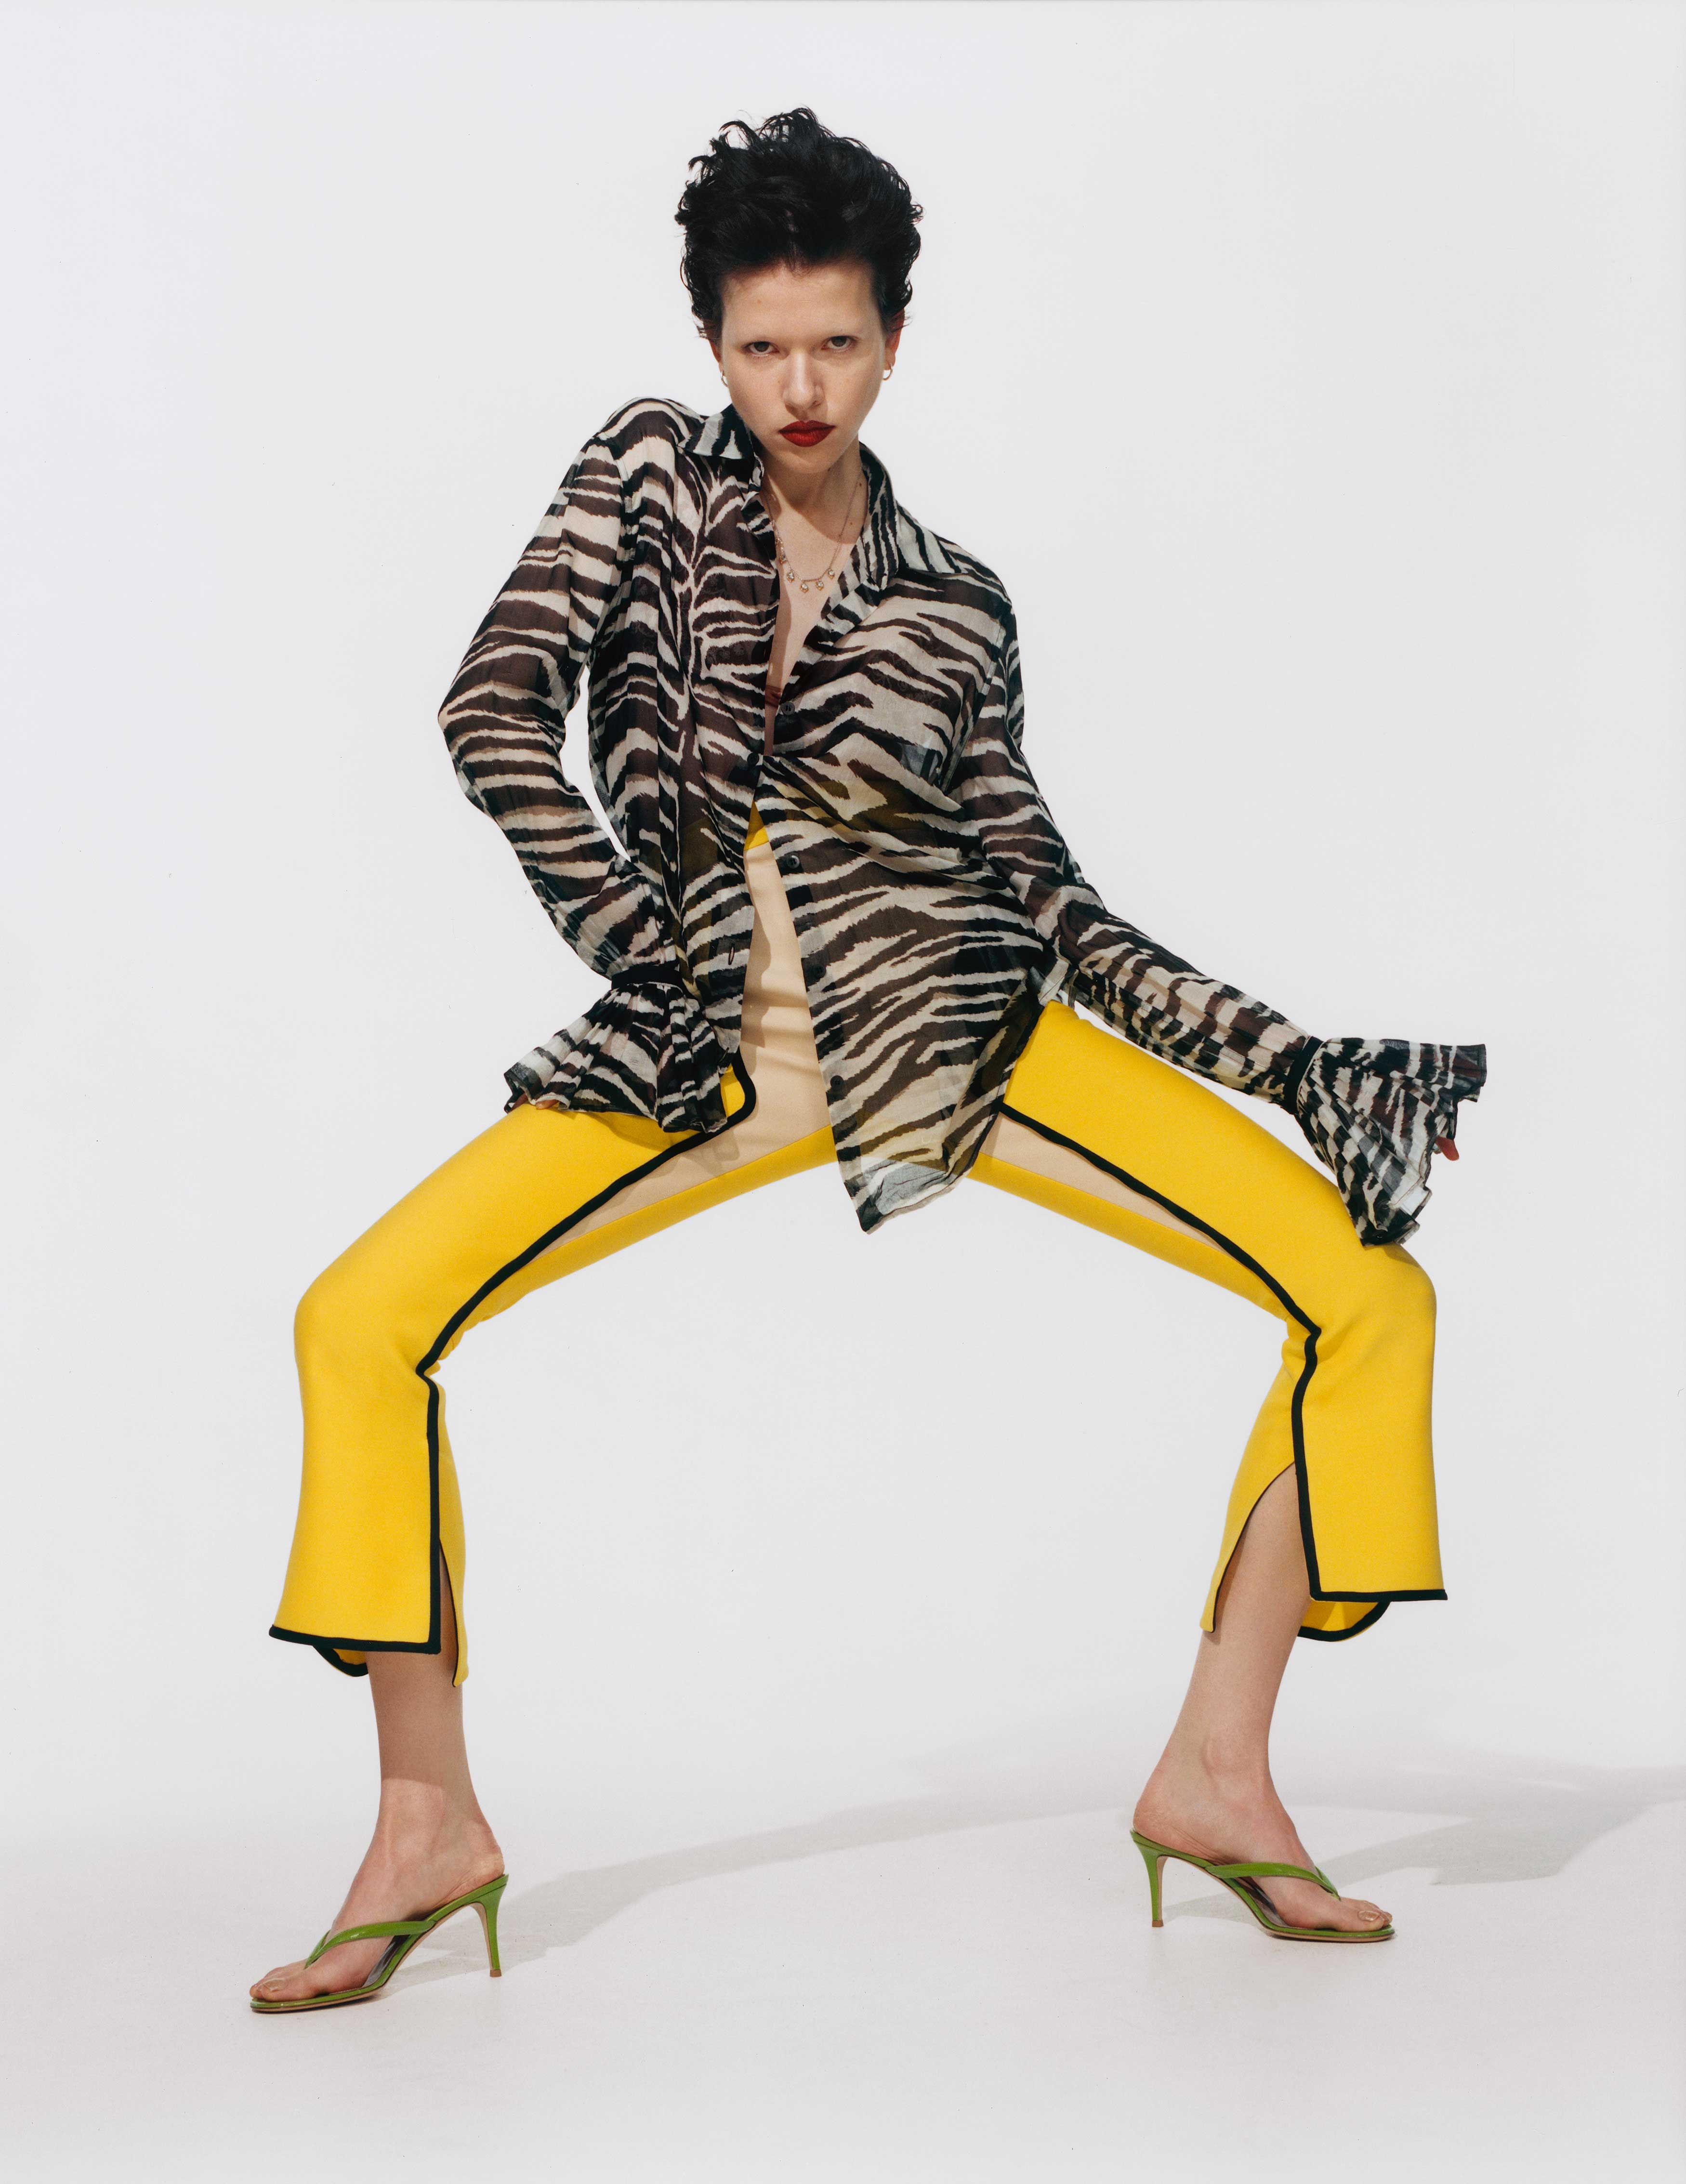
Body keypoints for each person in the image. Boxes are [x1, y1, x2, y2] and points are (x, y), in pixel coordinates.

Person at [250, 108, 1484, 2011]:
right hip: (697, 1054)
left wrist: (1296, 1063)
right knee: (358, 1321)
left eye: (834, 342)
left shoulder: (954, 603)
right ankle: (427, 1824)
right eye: (761, 346)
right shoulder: (644, 477)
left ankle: (1217, 1774)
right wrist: (638, 938)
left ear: (893, 338)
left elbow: (1051, 900)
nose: (799, 387)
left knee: (1366, 1294)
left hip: (954, 1037)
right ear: (712, 344)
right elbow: (491, 709)